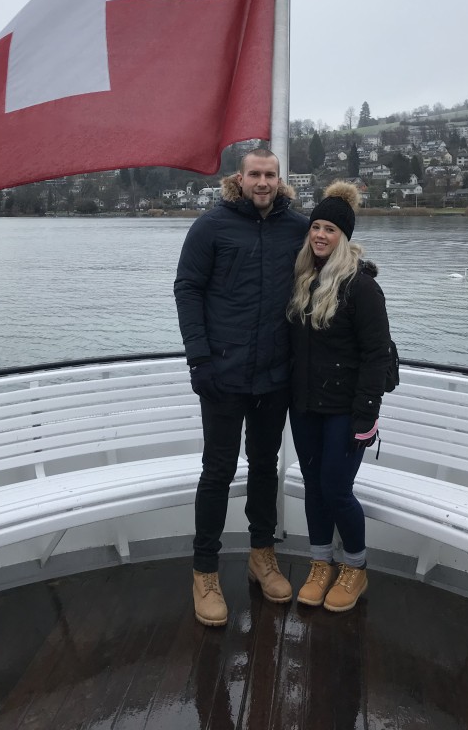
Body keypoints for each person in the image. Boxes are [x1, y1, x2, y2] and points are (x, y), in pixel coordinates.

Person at [174, 148, 308, 626]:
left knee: (266, 467)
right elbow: (187, 288)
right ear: (240, 178)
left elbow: (334, 260)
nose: (263, 182)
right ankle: (204, 571)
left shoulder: (297, 228)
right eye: (255, 174)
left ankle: (261, 554)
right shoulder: (212, 226)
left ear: (280, 179)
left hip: (274, 373)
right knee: (217, 470)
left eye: (271, 174)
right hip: (224, 374)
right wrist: (199, 359)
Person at [287, 180, 392, 612]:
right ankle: (319, 562)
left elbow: (376, 355)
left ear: (344, 236)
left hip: (346, 411)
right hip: (306, 405)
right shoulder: (303, 280)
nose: (320, 235)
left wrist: (365, 416)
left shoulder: (361, 287)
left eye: (330, 228)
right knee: (314, 485)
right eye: (316, 226)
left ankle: (356, 567)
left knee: (336, 488)